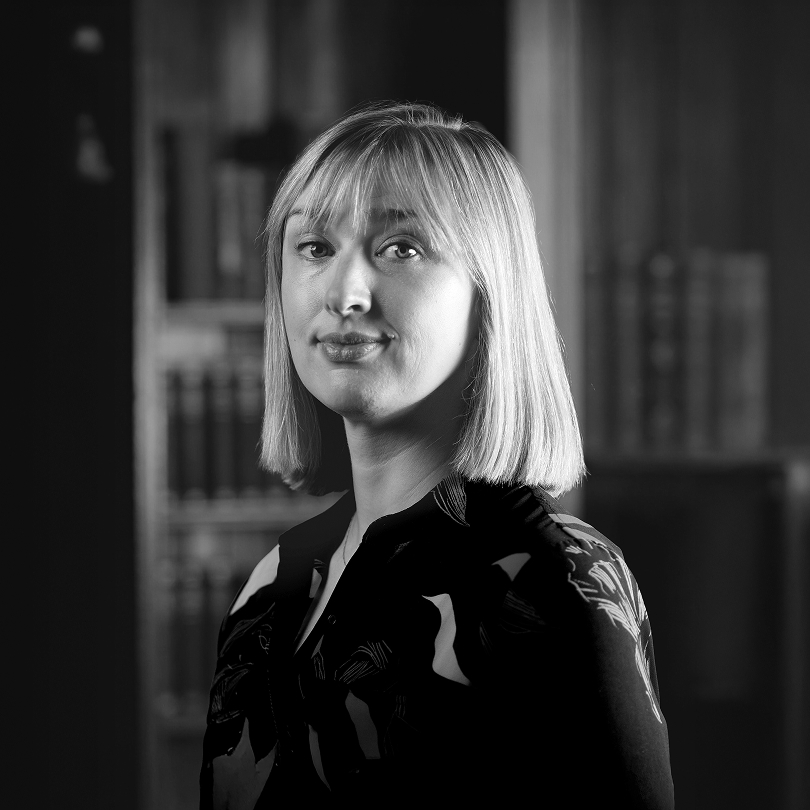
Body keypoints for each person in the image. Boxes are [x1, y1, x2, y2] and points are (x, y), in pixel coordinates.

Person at [200, 102, 674, 809]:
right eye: (315, 247)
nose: (344, 293)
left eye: (402, 248)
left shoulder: (555, 579)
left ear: (489, 294)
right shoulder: (275, 582)